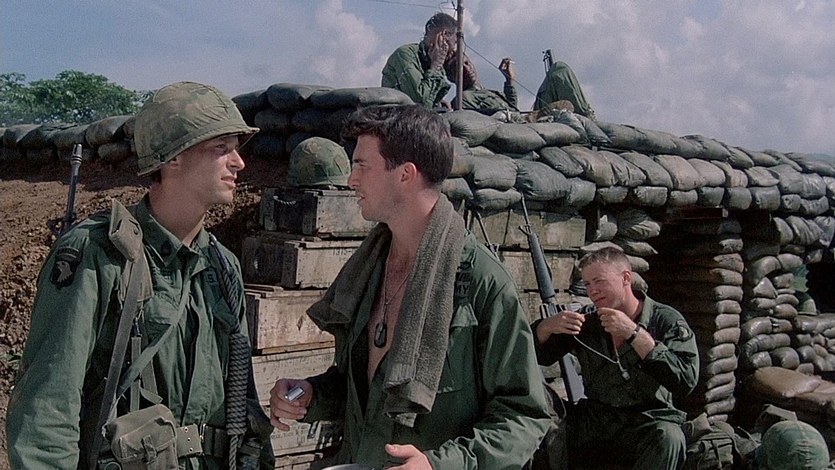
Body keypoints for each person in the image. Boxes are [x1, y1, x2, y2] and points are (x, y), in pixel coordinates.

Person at [6, 81, 274, 469]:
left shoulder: (222, 264)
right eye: (221, 148)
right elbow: (48, 407)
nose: (239, 163)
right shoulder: (100, 253)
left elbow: (241, 398)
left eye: (236, 148)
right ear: (173, 158)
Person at [268, 104, 550, 469]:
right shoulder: (369, 269)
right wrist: (311, 395)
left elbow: (524, 415)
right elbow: (369, 391)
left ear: (405, 174)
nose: (352, 180)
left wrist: (439, 465)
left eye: (362, 166)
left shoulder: (482, 283)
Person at [533, 246, 699, 469]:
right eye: (587, 284)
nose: (593, 291)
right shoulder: (587, 322)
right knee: (537, 404)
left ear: (626, 278)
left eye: (599, 281)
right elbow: (540, 356)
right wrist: (546, 327)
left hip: (646, 422)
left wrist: (635, 334)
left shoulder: (664, 320)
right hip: (596, 422)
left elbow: (686, 379)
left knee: (670, 437)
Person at [381, 12, 517, 113]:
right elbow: (420, 103)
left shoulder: (433, 61)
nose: (453, 48)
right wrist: (436, 66)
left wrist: (438, 104)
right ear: (444, 35)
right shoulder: (407, 54)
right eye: (455, 42)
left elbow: (511, 111)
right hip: (400, 124)